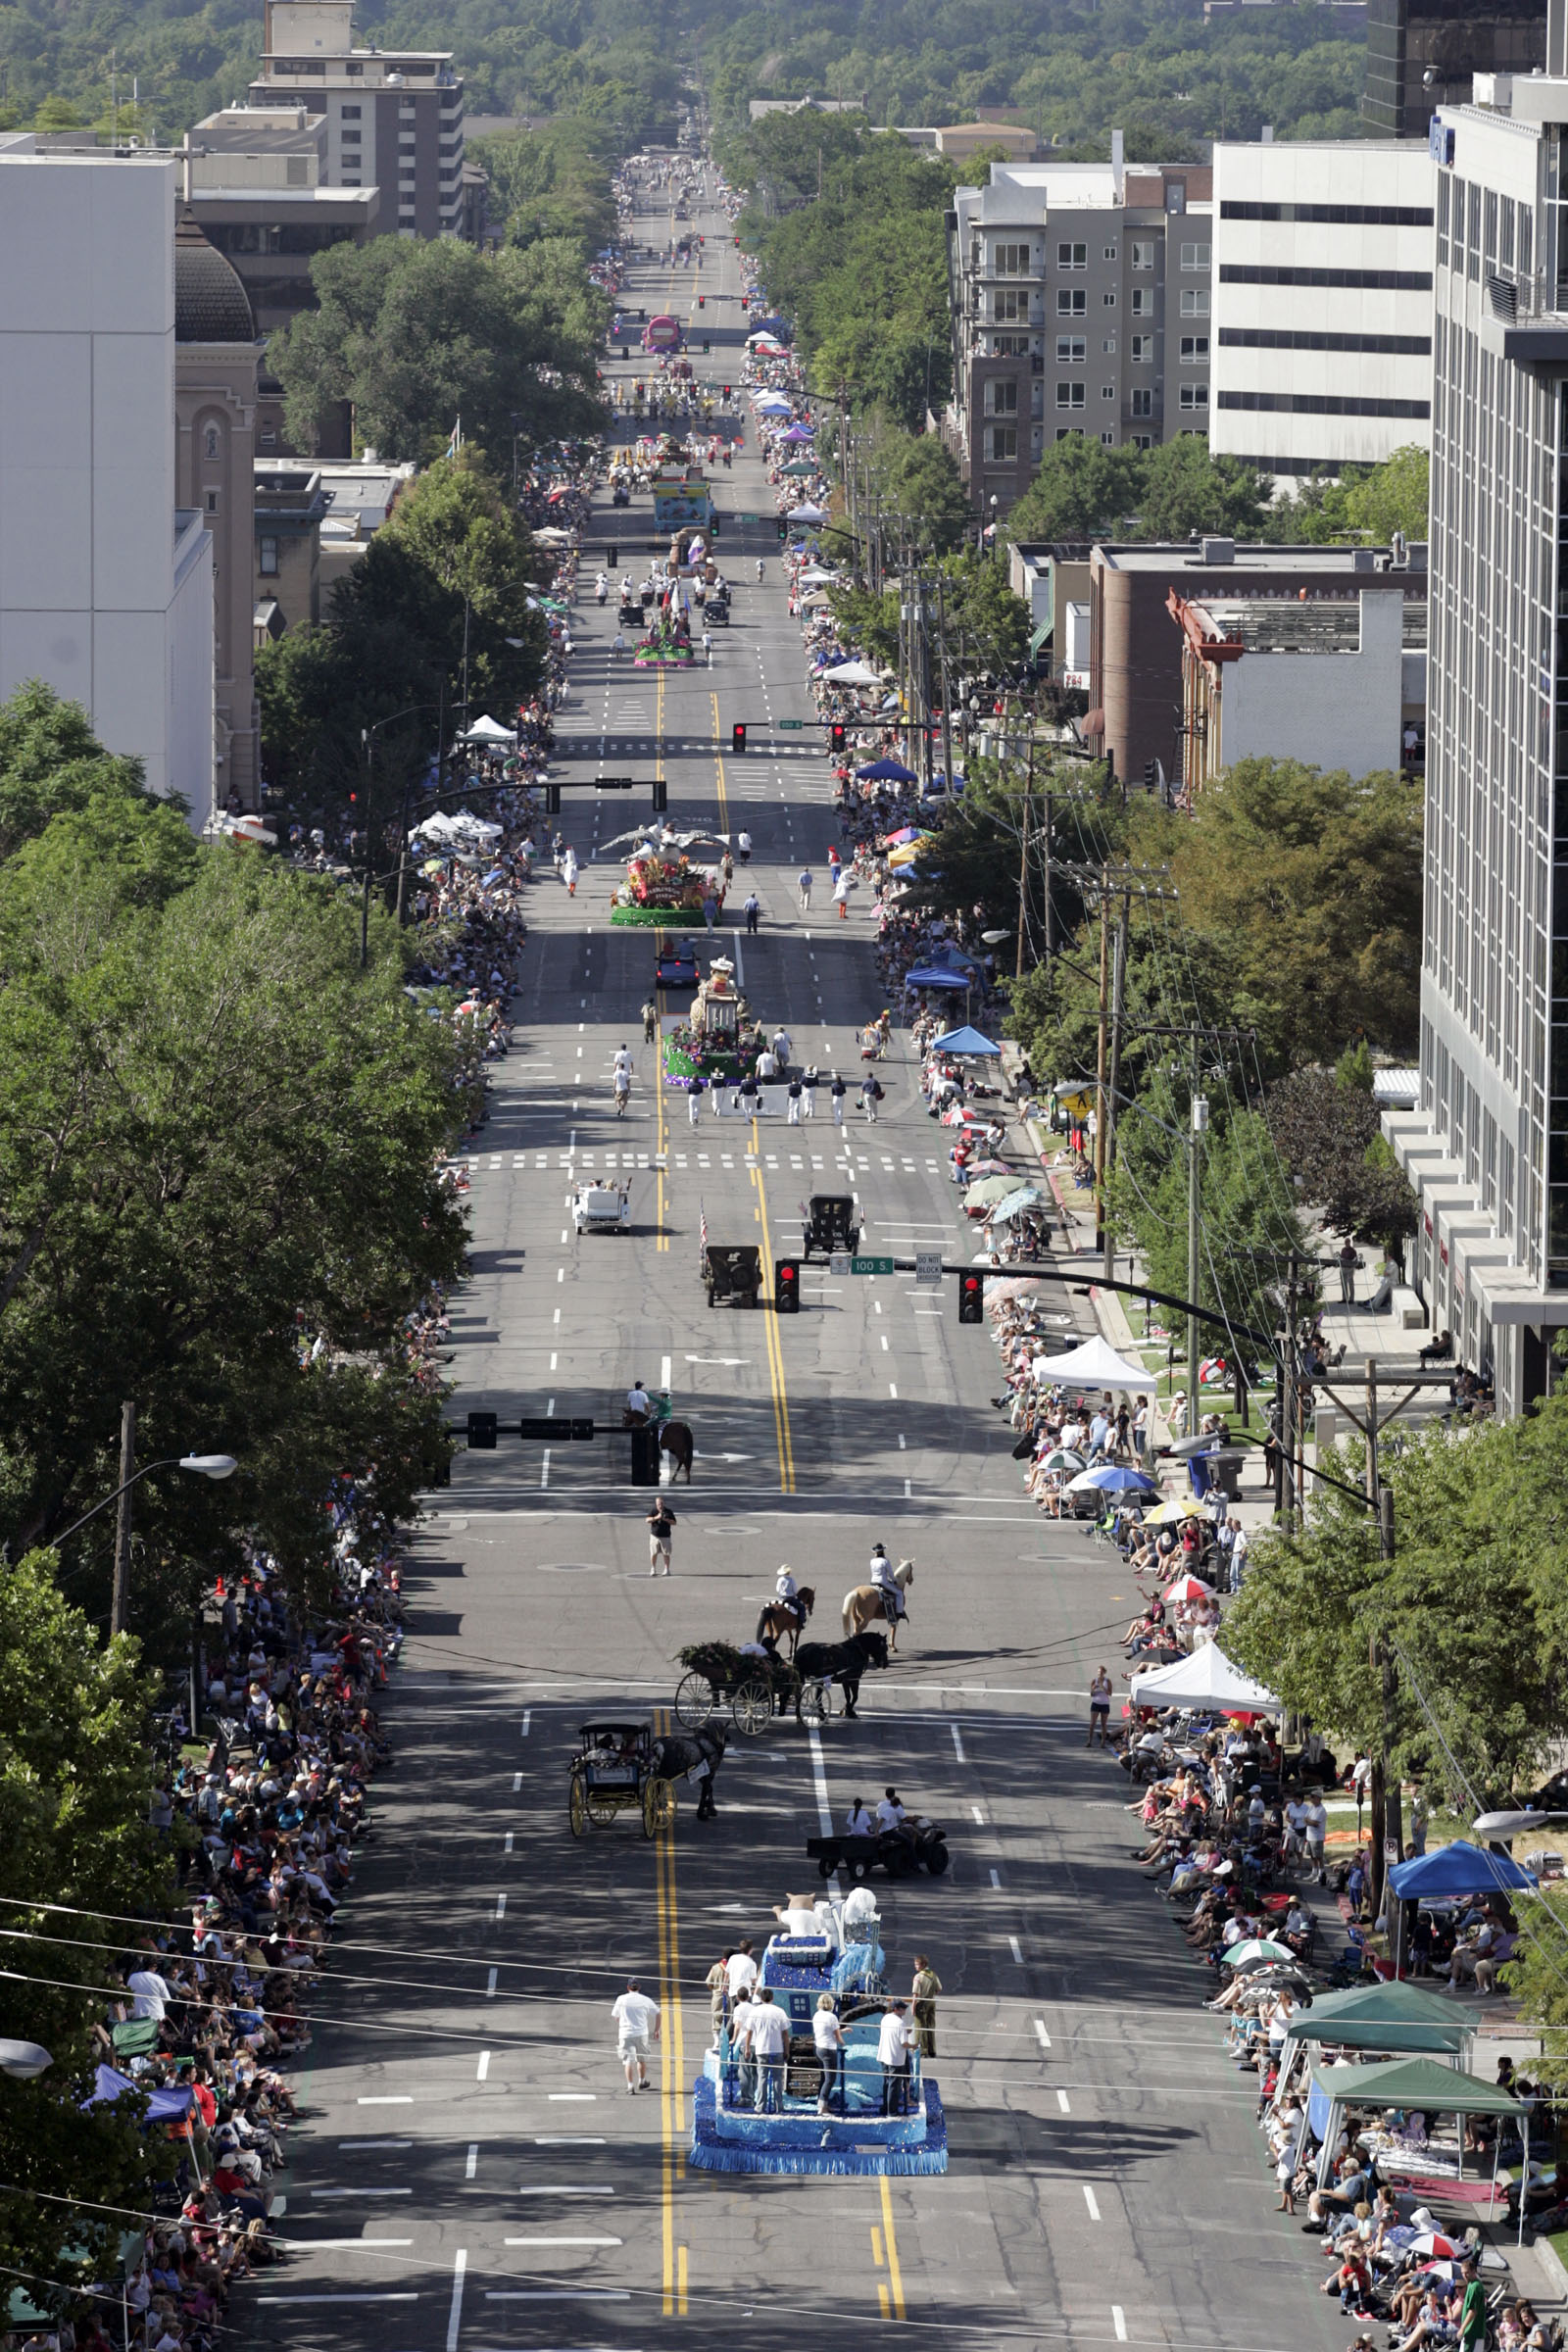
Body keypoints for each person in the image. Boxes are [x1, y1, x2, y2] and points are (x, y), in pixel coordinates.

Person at [611, 1976, 661, 2094]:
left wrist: (623, 2022)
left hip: (625, 2034)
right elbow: (658, 2013)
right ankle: (642, 2081)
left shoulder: (621, 1999)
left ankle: (630, 2086)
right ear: (639, 1987)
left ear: (628, 1987)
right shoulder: (645, 1999)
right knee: (641, 2059)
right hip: (641, 2033)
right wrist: (657, 2030)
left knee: (628, 2061)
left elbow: (616, 2016)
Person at [749, 1985, 789, 2113]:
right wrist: (786, 2050)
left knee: (762, 2078)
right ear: (772, 1998)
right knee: (777, 2078)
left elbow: (749, 2032)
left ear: (761, 1998)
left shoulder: (755, 2011)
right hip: (777, 2048)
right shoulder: (780, 2011)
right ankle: (779, 2106)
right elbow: (785, 2034)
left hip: (761, 2048)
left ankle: (760, 2106)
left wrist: (747, 2048)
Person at [878, 1999, 911, 2115]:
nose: (904, 2010)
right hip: (896, 2058)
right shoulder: (900, 2023)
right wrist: (914, 2046)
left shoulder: (885, 2019)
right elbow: (904, 2044)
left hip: (884, 2055)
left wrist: (904, 2031)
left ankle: (885, 2107)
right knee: (894, 2086)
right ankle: (892, 2111)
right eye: (902, 2008)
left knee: (887, 2083)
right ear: (896, 2009)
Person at [813, 1992, 845, 2115]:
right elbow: (837, 2036)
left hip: (818, 2048)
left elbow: (827, 2031)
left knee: (823, 2077)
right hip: (828, 2049)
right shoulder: (832, 2017)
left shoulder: (816, 2015)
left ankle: (821, 2102)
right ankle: (822, 2106)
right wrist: (843, 2043)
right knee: (830, 2079)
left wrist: (842, 2031)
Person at [910, 1955, 941, 2058]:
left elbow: (915, 1994)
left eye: (917, 1964)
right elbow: (939, 1988)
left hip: (922, 2003)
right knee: (930, 2026)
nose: (915, 1966)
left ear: (923, 1964)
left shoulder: (918, 1977)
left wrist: (913, 2007)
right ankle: (932, 2050)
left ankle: (922, 2051)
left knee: (920, 2027)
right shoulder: (933, 1975)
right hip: (931, 2001)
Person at [646, 1495, 676, 1577]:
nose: (660, 1505)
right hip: (654, 1536)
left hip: (665, 1536)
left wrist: (666, 1519)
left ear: (664, 1503)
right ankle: (653, 1568)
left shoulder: (668, 1511)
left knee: (666, 1553)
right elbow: (647, 1520)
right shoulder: (653, 1510)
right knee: (653, 1553)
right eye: (658, 1504)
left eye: (661, 1503)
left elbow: (674, 1522)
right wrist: (657, 1517)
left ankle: (667, 1570)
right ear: (656, 1504)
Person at [706, 1952, 729, 2051]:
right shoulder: (733, 1968)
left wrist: (714, 1989)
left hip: (717, 1995)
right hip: (729, 1995)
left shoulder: (715, 1967)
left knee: (716, 2018)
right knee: (728, 2018)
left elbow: (708, 1982)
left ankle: (717, 2042)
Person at [1087, 1666, 1113, 1747]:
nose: (1099, 1674)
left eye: (1101, 1672)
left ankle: (1103, 1743)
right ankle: (1089, 1741)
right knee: (1092, 1723)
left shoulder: (1107, 1681)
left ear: (1104, 1673)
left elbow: (1110, 1693)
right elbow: (1091, 1694)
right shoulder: (1094, 1681)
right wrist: (1093, 1689)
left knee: (1103, 1724)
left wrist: (1103, 1687)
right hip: (1095, 1703)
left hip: (1105, 1704)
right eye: (1098, 1672)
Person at [1339, 1238, 1358, 1306]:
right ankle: (1344, 1298)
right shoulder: (1343, 1250)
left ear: (1350, 1243)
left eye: (1348, 1242)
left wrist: (1353, 1261)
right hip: (1343, 1268)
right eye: (1345, 1242)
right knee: (1343, 1284)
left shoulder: (1353, 1250)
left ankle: (1351, 1299)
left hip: (1350, 1269)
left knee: (1350, 1283)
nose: (1346, 1243)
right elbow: (1341, 1257)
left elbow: (1355, 1259)